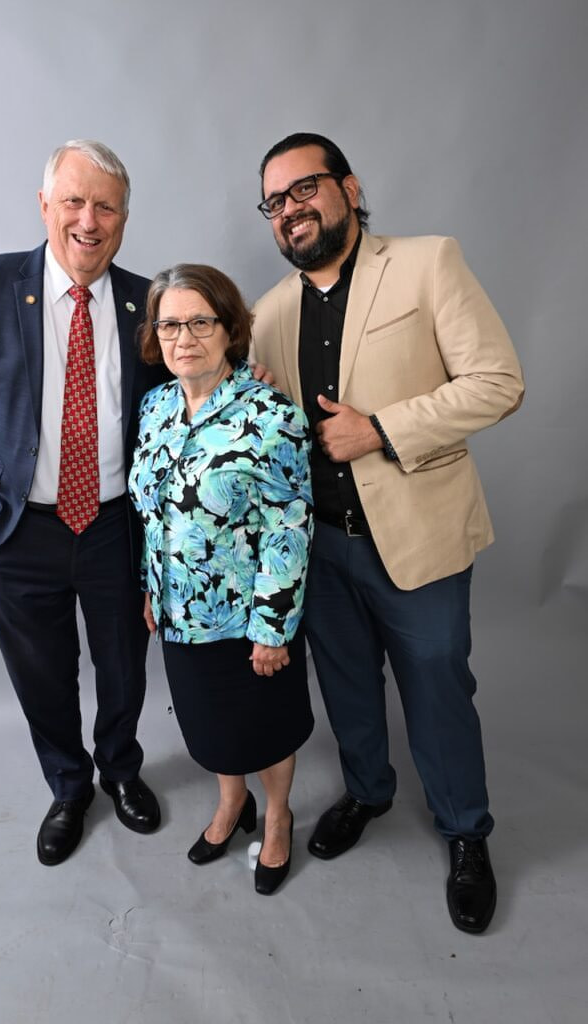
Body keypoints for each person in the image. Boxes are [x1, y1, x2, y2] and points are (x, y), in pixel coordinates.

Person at [251, 132, 524, 931]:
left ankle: (465, 832)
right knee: (344, 684)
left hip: (418, 534)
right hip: (319, 546)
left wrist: (379, 429)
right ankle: (368, 792)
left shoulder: (427, 262)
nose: (290, 209)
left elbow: (498, 381)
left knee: (437, 690)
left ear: (348, 187)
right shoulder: (267, 313)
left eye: (304, 188)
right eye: (275, 201)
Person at [0, 140, 168, 866]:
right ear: (45, 206)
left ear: (124, 217)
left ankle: (120, 770)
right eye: (74, 201)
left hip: (116, 527)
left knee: (124, 665)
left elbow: (185, 397)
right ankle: (69, 787)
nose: (88, 221)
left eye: (106, 207)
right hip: (17, 530)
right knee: (40, 672)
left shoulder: (150, 303)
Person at [129, 264, 314, 895]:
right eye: (170, 325)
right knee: (211, 729)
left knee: (266, 729)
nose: (184, 338)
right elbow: (153, 512)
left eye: (200, 322)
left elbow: (290, 528)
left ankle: (278, 815)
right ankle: (232, 805)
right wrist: (152, 587)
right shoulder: (155, 407)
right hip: (180, 615)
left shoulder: (271, 414)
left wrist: (273, 629)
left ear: (230, 328)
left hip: (248, 622)